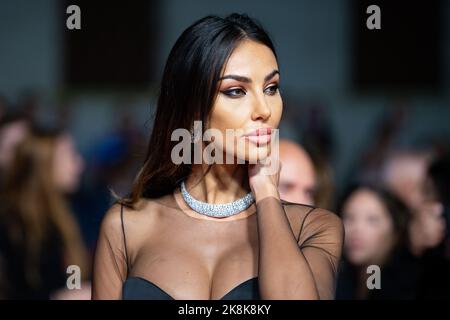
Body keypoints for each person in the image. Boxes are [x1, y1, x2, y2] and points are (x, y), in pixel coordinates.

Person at [92, 13, 343, 300]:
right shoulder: (125, 225)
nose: (264, 109)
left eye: (271, 88)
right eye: (236, 91)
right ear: (191, 108)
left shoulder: (314, 227)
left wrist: (266, 189)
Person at [0, 126, 88, 299]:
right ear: (45, 164)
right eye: (70, 155)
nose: (79, 164)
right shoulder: (11, 224)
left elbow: (73, 274)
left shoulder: (64, 216)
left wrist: (77, 291)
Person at [336, 184, 419, 299]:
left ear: (395, 231)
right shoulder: (342, 279)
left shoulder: (405, 284)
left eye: (372, 220)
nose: (357, 229)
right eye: (349, 217)